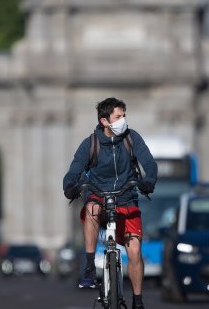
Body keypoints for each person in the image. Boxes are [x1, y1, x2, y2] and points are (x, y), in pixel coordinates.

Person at [63, 97, 157, 309]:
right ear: (104, 121)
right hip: (97, 194)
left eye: (124, 116)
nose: (122, 120)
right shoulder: (90, 144)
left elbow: (149, 162)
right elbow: (75, 169)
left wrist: (148, 180)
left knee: (134, 251)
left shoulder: (132, 139)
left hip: (126, 197)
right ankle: (88, 264)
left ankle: (138, 301)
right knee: (92, 208)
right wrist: (70, 186)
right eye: (118, 116)